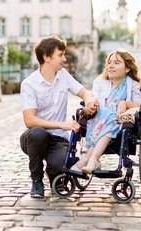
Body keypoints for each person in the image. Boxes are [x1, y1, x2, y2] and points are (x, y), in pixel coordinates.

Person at [20, 36, 96, 198]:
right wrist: (64, 125)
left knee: (61, 166)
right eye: (60, 55)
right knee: (37, 132)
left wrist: (89, 100)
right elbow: (29, 120)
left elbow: (83, 92)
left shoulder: (63, 75)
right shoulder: (29, 84)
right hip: (35, 139)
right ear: (47, 57)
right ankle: (37, 180)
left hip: (58, 139)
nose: (64, 59)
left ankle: (53, 172)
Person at [71, 49, 141, 174]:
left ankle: (90, 158)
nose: (110, 66)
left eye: (116, 63)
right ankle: (92, 160)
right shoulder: (100, 82)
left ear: (127, 68)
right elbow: (96, 100)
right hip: (100, 118)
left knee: (110, 116)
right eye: (109, 62)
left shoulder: (133, 84)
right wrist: (92, 104)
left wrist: (125, 103)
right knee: (106, 115)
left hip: (119, 121)